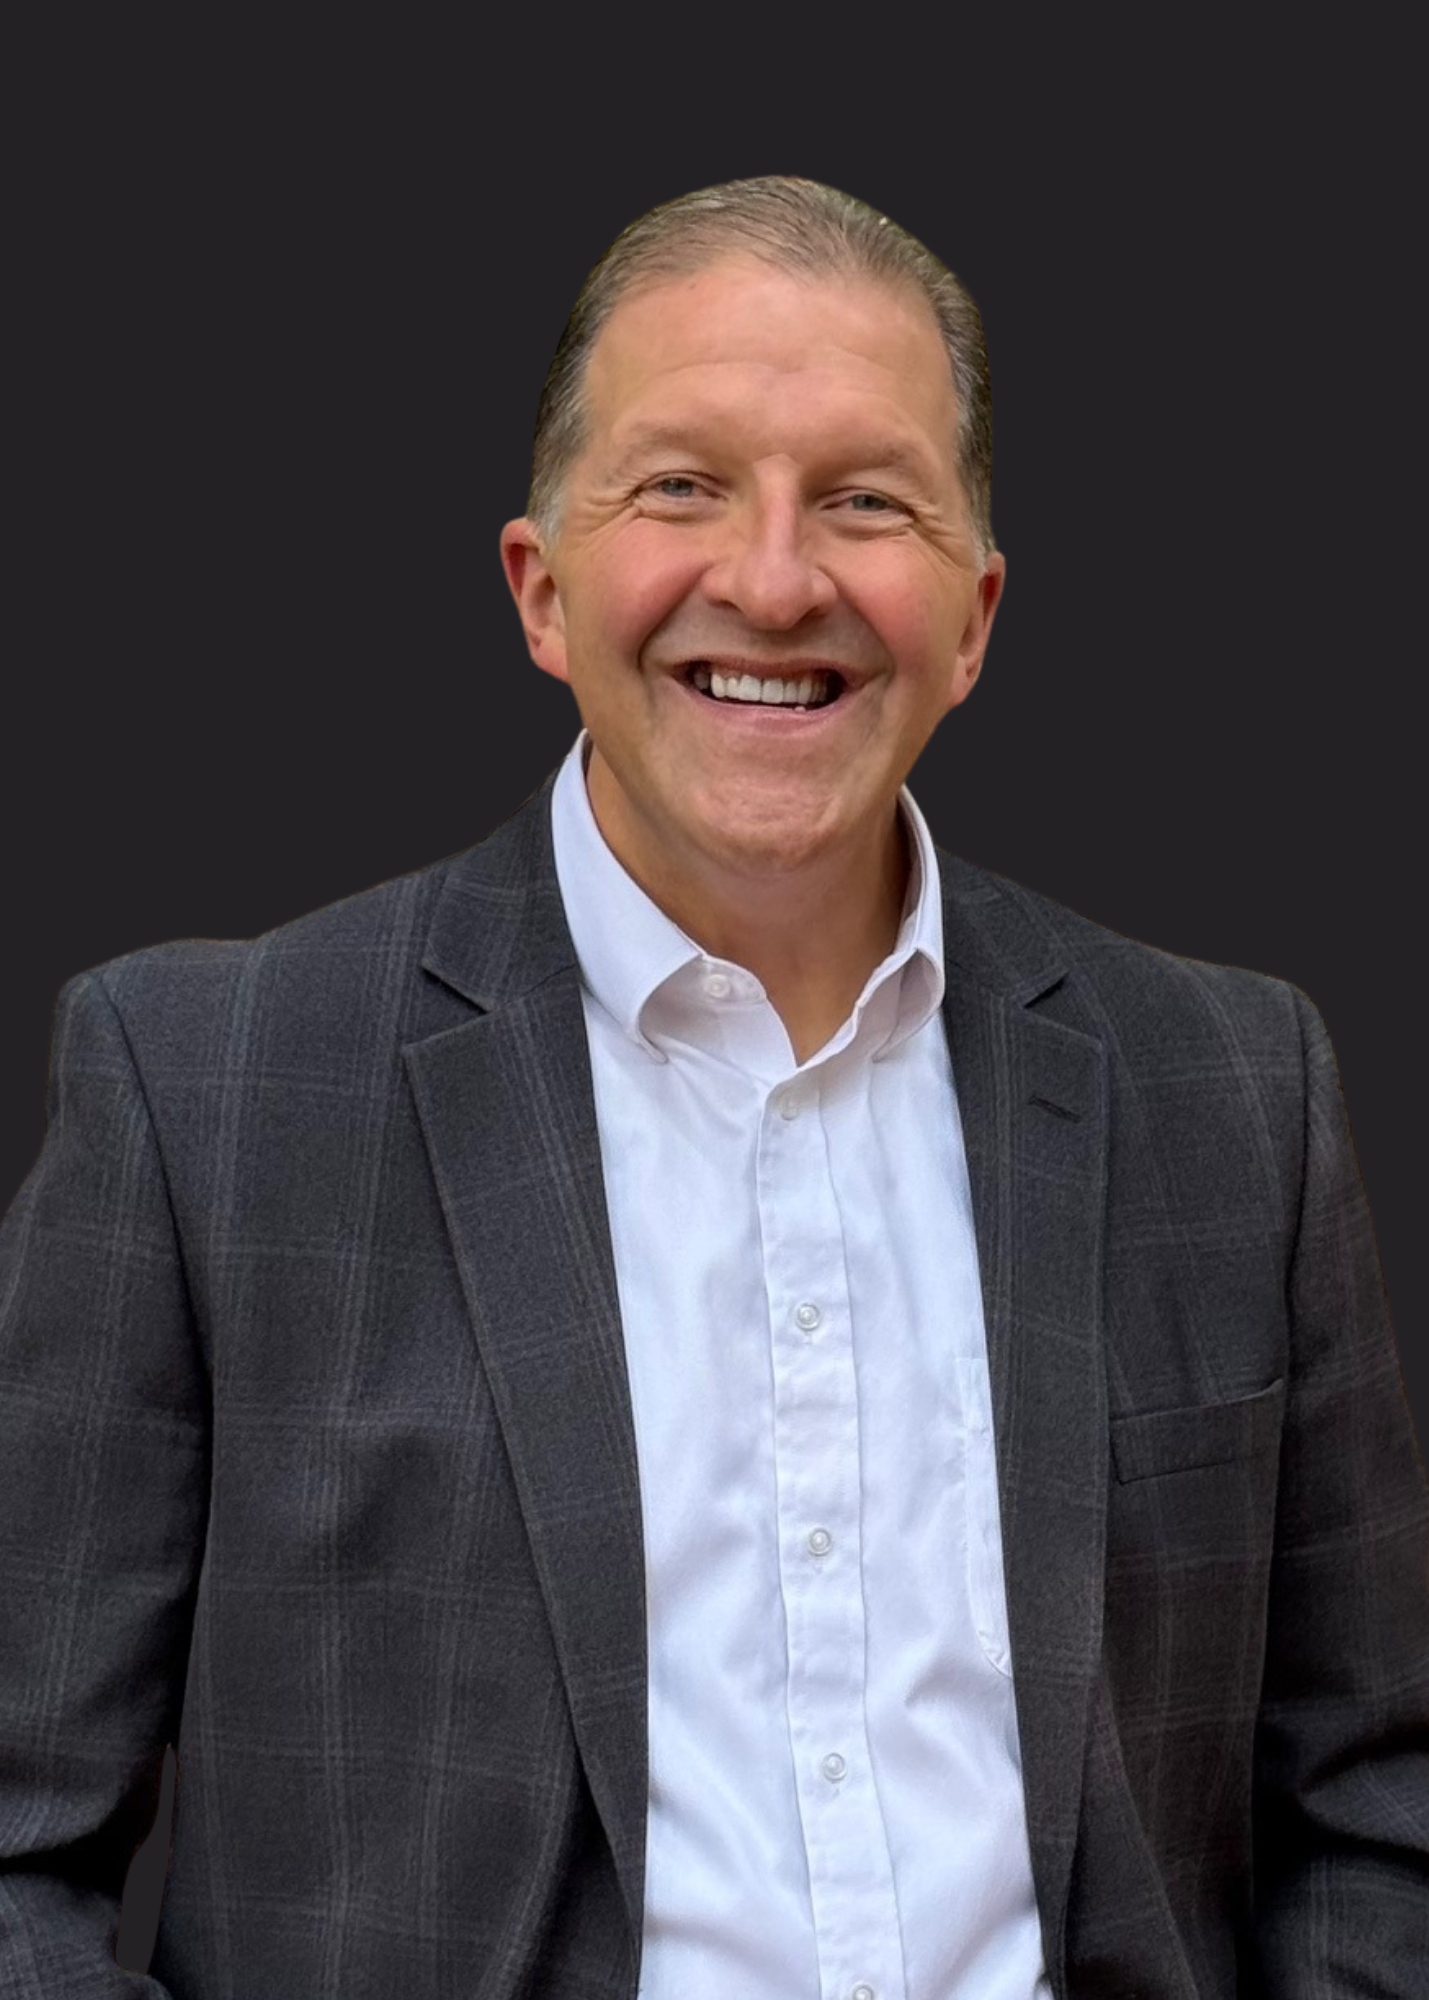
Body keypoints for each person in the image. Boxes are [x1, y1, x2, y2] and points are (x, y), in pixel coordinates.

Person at [1, 175, 1425, 2000]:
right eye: (680, 486)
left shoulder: (1236, 1089)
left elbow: (1374, 1808)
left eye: (868, 500)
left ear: (975, 619)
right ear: (542, 590)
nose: (772, 578)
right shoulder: (210, 1091)